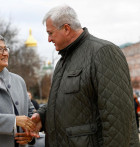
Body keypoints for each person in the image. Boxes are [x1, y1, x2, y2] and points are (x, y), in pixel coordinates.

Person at [31, 4, 140, 146]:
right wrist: (43, 116)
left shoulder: (103, 52)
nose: (49, 39)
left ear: (66, 28)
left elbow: (117, 118)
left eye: (50, 33)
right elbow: (69, 103)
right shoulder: (62, 62)